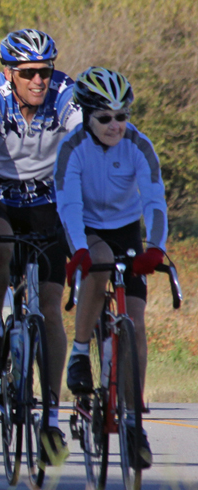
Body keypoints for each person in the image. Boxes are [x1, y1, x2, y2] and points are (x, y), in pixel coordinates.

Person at [0, 29, 81, 466]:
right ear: (10, 72)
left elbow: (84, 148)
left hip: (48, 199)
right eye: (28, 72)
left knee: (50, 308)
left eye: (44, 72)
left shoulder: (67, 93)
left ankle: (50, 416)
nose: (38, 81)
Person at [55, 67, 167, 469]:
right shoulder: (73, 148)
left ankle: (134, 418)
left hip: (125, 229)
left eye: (123, 116)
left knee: (134, 320)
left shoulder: (139, 145)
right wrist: (79, 251)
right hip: (84, 226)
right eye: (105, 118)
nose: (116, 125)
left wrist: (155, 249)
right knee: (99, 263)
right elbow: (67, 206)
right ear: (86, 115)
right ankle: (80, 353)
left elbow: (155, 200)